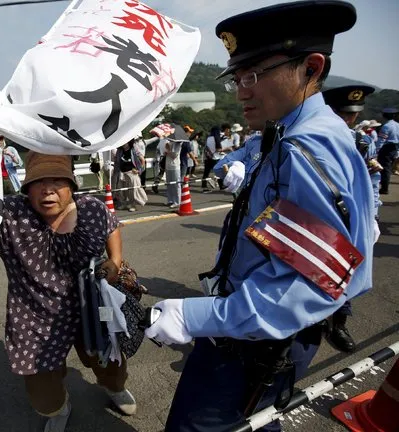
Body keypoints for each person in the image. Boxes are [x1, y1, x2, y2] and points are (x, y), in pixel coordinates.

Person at [145, 2, 374, 431]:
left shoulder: (307, 147)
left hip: (257, 335)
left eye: (254, 75)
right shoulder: (292, 132)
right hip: (259, 325)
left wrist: (194, 317)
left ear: (311, 67)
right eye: (236, 77)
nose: (241, 91)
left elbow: (307, 284)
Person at [0, 120, 138, 432]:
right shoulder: (9, 215)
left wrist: (115, 260)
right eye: (39, 181)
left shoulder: (90, 208)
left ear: (71, 185)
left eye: (57, 180)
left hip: (89, 305)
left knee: (109, 360)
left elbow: (112, 224)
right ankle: (58, 410)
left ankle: (113, 387)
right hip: (34, 315)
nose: (48, 189)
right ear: (26, 187)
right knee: (43, 393)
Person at [322, 85, 381, 353]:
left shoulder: (362, 142)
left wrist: (373, 215)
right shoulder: (316, 137)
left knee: (347, 267)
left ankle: (338, 323)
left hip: (351, 215)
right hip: (320, 213)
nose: (348, 119)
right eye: (341, 113)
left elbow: (369, 182)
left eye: (351, 114)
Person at [115, 138, 147, 211]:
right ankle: (123, 203)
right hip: (122, 172)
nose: (123, 143)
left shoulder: (134, 149)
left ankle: (134, 205)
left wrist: (139, 170)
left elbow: (142, 160)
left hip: (132, 172)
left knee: (133, 190)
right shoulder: (119, 151)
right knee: (121, 190)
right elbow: (117, 161)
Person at [377, 107, 399, 194]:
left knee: (385, 168)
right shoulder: (397, 125)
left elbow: (381, 140)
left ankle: (384, 188)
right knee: (389, 167)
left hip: (386, 148)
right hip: (395, 148)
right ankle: (385, 186)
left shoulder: (386, 126)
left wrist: (376, 151)